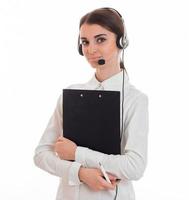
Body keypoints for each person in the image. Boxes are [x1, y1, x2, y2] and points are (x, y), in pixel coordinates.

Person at [33, 7, 149, 200]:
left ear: (122, 41)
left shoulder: (135, 100)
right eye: (85, 42)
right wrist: (80, 173)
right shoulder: (70, 94)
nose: (91, 50)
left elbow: (135, 166)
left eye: (100, 40)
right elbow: (41, 155)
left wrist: (77, 153)